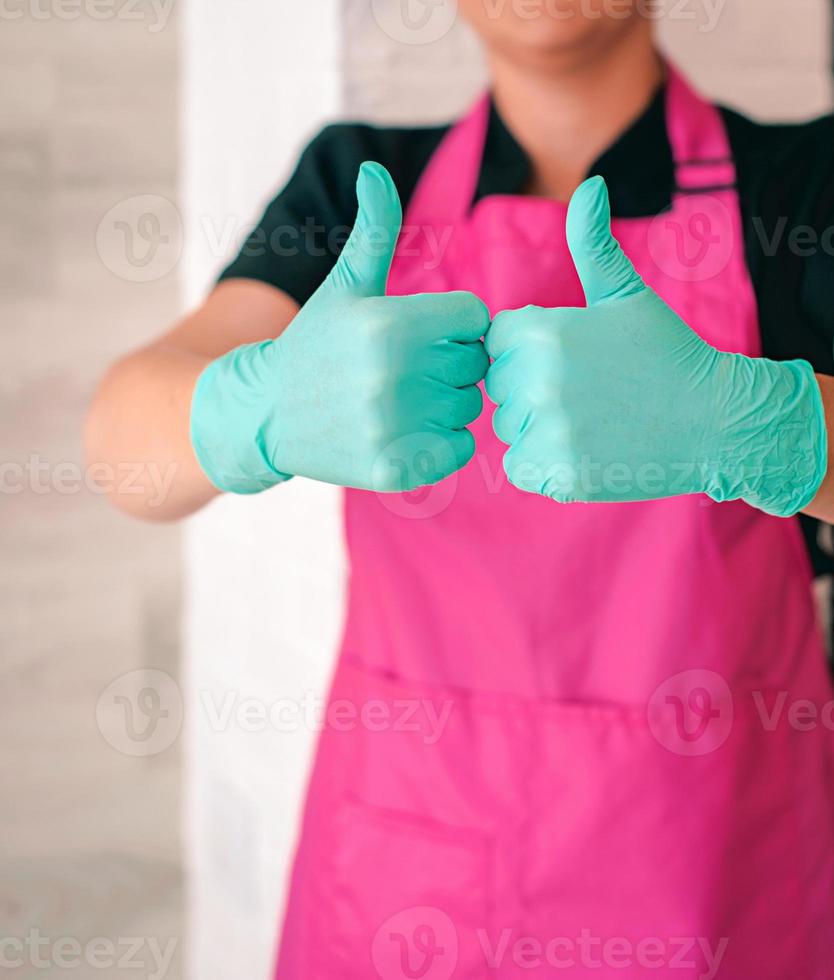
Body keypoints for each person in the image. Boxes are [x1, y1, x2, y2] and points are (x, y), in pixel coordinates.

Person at [86, 3, 834, 977]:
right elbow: (122, 442)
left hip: (718, 862)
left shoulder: (805, 188)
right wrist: (246, 408)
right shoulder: (360, 187)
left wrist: (776, 426)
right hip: (407, 871)